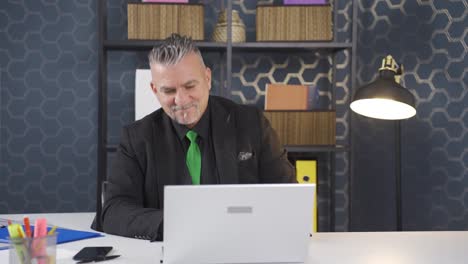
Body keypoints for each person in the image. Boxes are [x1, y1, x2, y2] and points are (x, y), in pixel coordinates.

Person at [101, 34, 296, 241]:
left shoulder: (252, 124)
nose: (181, 100)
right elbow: (113, 211)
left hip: (242, 247)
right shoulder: (136, 138)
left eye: (190, 86)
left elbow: (288, 197)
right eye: (169, 90)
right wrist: (176, 224)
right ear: (154, 90)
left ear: (208, 79)